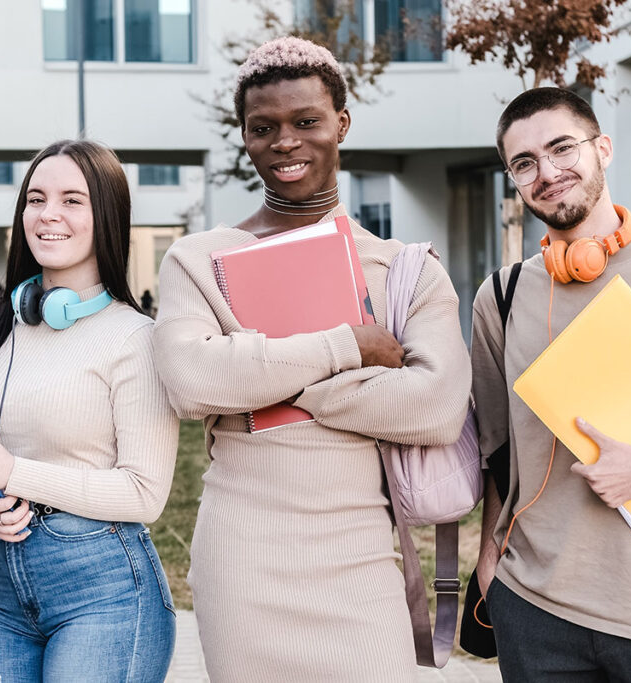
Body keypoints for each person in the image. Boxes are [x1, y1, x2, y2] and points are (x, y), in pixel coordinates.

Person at [152, 37, 471, 681]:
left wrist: (278, 386)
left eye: (307, 122)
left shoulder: (405, 270)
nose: (285, 142)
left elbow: (434, 411)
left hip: (359, 548)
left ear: (341, 125)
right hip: (243, 550)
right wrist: (345, 347)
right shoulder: (198, 260)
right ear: (245, 137)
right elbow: (189, 383)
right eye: (263, 127)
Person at [472, 87, 631, 681]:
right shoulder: (499, 298)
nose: (547, 173)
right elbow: (498, 453)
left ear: (602, 148)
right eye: (524, 163)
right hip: (532, 607)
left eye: (562, 148)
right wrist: (488, 570)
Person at [0, 139, 179, 681]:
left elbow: (144, 492)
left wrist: (13, 473)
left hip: (105, 594)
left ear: (105, 216)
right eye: (35, 199)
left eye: (71, 200)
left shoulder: (135, 338)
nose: (48, 215)